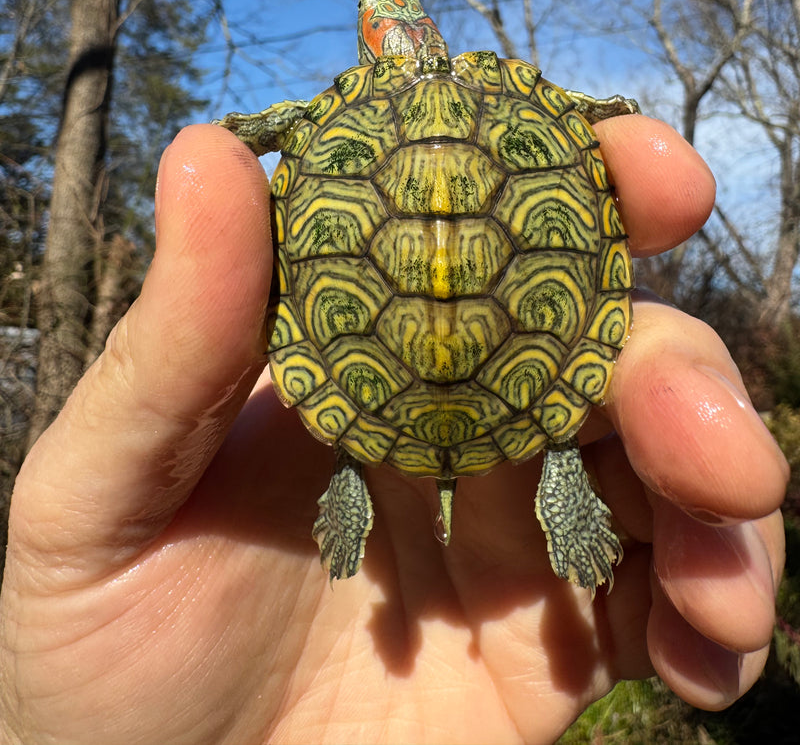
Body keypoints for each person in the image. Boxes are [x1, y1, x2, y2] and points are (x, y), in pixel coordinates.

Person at [0, 119, 788, 745]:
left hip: (368, 385)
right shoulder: (518, 113)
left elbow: (278, 133)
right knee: (564, 392)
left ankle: (531, 457)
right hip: (512, 379)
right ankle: (544, 447)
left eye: (394, 16)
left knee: (564, 407)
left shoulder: (337, 123)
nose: (378, 16)